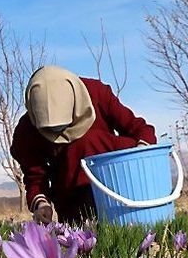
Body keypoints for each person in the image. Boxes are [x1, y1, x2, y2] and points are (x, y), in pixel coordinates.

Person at [10, 65, 157, 224]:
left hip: (120, 188)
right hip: (72, 199)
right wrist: (42, 204)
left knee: (87, 140)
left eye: (63, 126)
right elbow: (35, 178)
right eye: (50, 130)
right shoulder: (26, 131)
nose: (59, 134)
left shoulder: (97, 94)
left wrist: (135, 165)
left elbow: (142, 131)